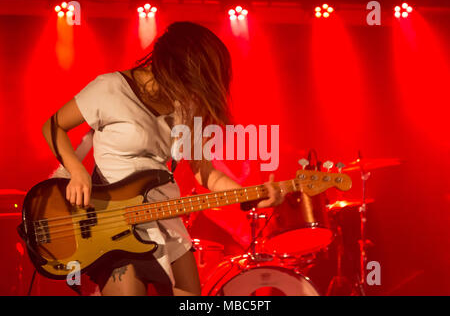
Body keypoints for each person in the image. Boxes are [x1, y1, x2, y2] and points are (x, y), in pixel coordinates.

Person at [41, 21, 284, 296]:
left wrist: (249, 194)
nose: (195, 91)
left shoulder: (187, 105)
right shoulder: (110, 88)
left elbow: (205, 173)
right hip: (113, 223)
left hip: (164, 216)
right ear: (173, 66)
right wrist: (77, 171)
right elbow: (53, 126)